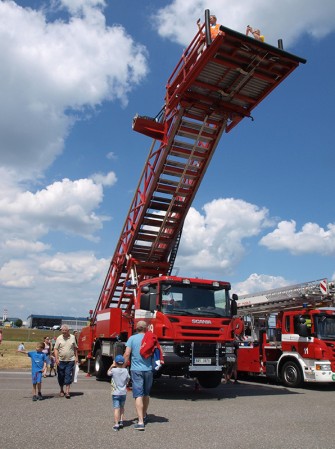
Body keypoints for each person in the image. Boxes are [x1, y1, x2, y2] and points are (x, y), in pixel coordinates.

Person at [123, 321, 153, 431]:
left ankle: (140, 422)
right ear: (146, 329)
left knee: (138, 394)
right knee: (146, 394)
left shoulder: (132, 339)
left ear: (136, 328)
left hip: (136, 370)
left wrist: (122, 367)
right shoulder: (150, 338)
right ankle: (144, 415)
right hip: (148, 369)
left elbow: (127, 354)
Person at [54, 325, 78, 398]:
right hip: (61, 361)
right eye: (62, 330)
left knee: (68, 375)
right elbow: (56, 349)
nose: (63, 332)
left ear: (68, 331)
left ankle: (67, 392)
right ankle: (61, 390)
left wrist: (76, 357)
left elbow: (75, 348)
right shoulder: (59, 338)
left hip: (70, 360)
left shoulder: (72, 337)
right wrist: (56, 358)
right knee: (61, 375)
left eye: (65, 330)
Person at [107, 354, 130, 431]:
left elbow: (108, 373)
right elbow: (128, 379)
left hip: (115, 393)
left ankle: (116, 424)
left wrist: (111, 365)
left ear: (115, 363)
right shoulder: (126, 370)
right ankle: (121, 421)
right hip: (123, 392)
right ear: (123, 363)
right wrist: (126, 383)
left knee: (116, 408)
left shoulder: (113, 370)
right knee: (122, 407)